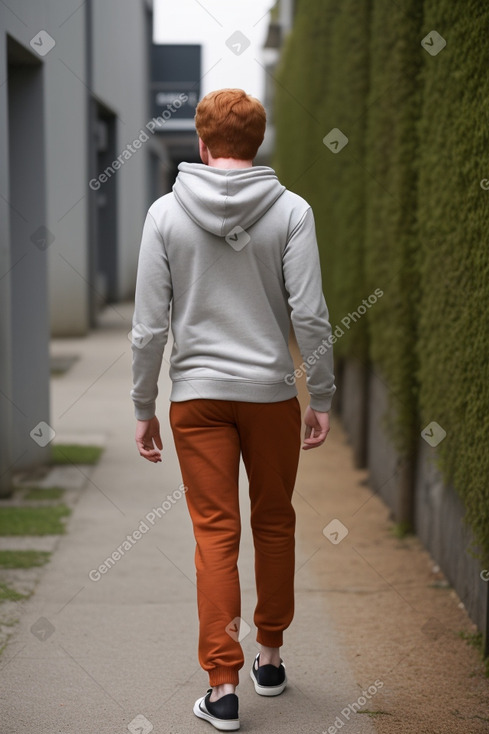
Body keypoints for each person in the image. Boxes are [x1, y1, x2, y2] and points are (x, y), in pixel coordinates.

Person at [131, 88, 335, 731]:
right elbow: (310, 314)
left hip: (196, 400)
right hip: (271, 396)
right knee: (275, 521)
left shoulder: (164, 213)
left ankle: (222, 688)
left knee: (214, 535)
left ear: (201, 143)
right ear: (257, 141)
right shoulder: (293, 212)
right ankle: (269, 658)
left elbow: (147, 329)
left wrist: (144, 404)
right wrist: (320, 395)